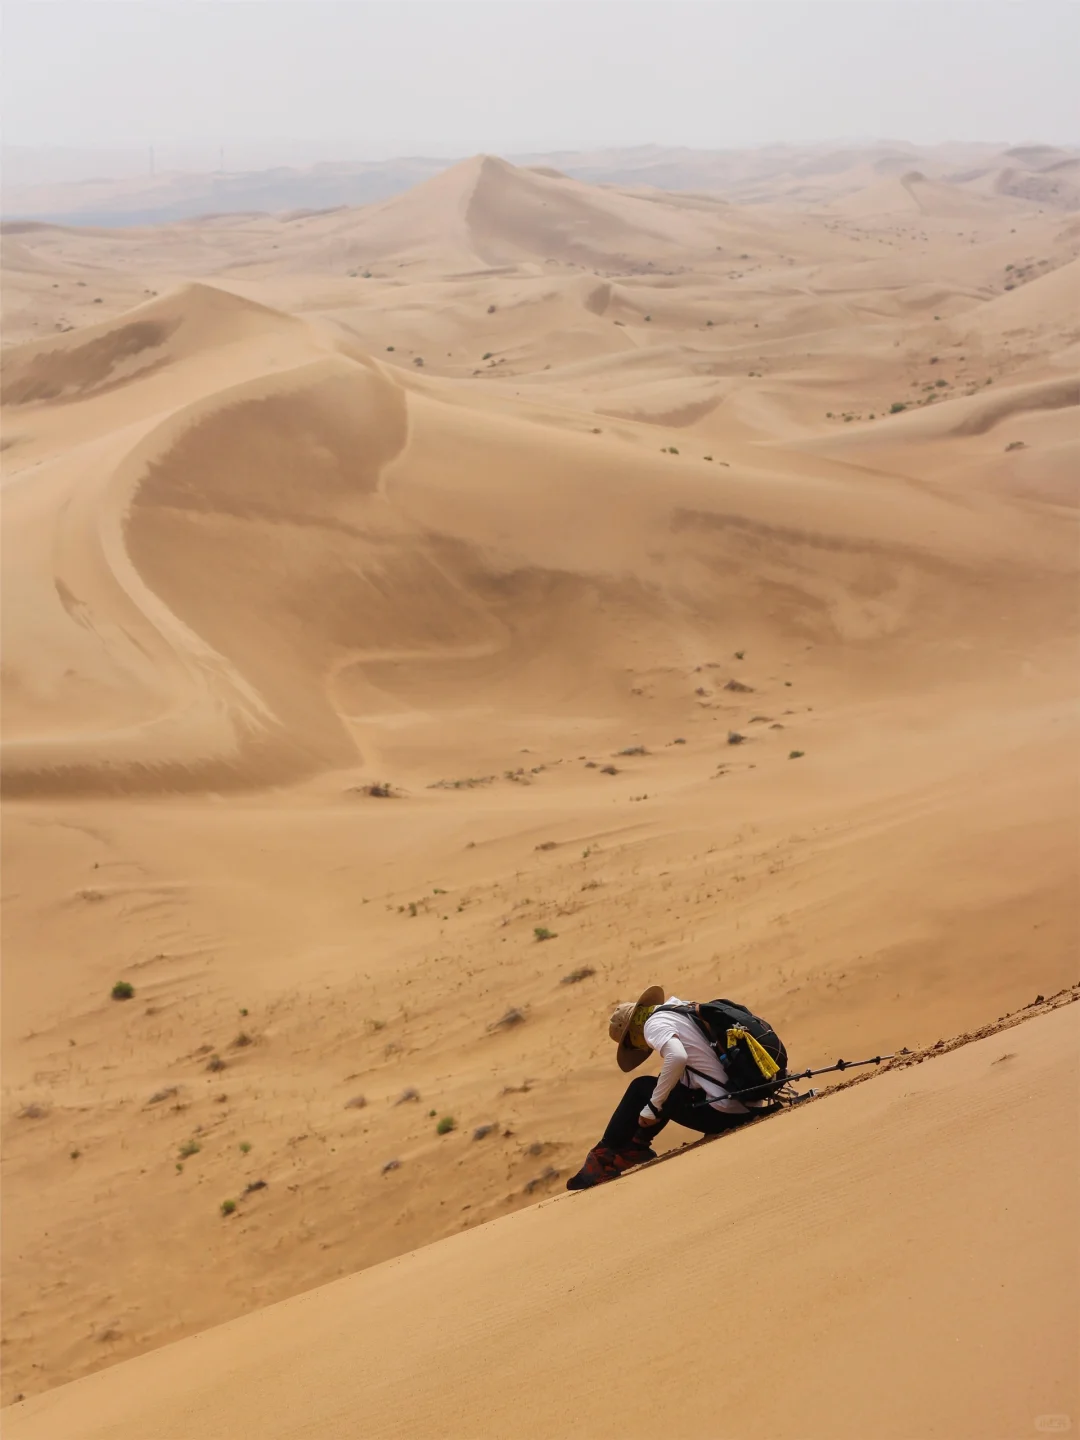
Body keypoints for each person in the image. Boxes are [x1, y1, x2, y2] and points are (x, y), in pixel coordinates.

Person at [566, 983, 770, 1190]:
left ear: (631, 1032)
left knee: (641, 1087)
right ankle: (636, 1147)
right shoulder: (681, 1009)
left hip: (725, 1114)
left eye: (631, 1044)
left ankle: (602, 1160)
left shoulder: (653, 1025)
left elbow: (677, 1056)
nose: (639, 1047)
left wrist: (653, 1107)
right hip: (747, 1101)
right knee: (665, 1080)